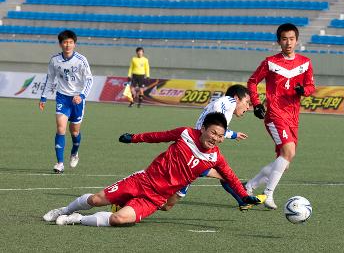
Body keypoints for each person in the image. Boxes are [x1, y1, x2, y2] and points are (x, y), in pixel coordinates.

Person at [43, 113, 262, 227]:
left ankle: (77, 219)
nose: (216, 138)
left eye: (221, 135)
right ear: (203, 129)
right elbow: (159, 136)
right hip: (143, 180)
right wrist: (134, 138)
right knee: (96, 200)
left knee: (119, 219)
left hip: (156, 198)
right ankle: (63, 211)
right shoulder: (185, 133)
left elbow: (231, 177)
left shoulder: (216, 158)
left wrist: (244, 196)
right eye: (213, 133)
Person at [245, 23, 315, 209]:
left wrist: (304, 90)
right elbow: (252, 82)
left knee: (284, 163)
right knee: (288, 152)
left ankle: (250, 185)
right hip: (275, 114)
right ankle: (267, 194)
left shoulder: (305, 63)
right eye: (284, 39)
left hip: (293, 117)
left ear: (297, 40)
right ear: (278, 41)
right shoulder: (270, 62)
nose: (288, 43)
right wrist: (257, 103)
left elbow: (311, 87)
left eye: (291, 39)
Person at [162, 84, 253, 212]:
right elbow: (217, 124)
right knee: (224, 175)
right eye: (247, 102)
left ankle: (243, 200)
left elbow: (218, 127)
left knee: (167, 205)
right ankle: (244, 199)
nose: (248, 107)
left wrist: (232, 134)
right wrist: (231, 134)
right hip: (195, 153)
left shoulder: (226, 107)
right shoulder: (229, 102)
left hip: (199, 150)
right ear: (237, 98)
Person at [39, 30, 93, 173]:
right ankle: (60, 163)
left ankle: (75, 152)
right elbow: (50, 78)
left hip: (77, 100)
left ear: (74, 44)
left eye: (70, 42)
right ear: (60, 44)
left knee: (74, 133)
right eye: (65, 42)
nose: (67, 45)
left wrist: (82, 95)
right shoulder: (55, 60)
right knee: (60, 128)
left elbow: (89, 79)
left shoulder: (81, 60)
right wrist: (44, 97)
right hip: (62, 97)